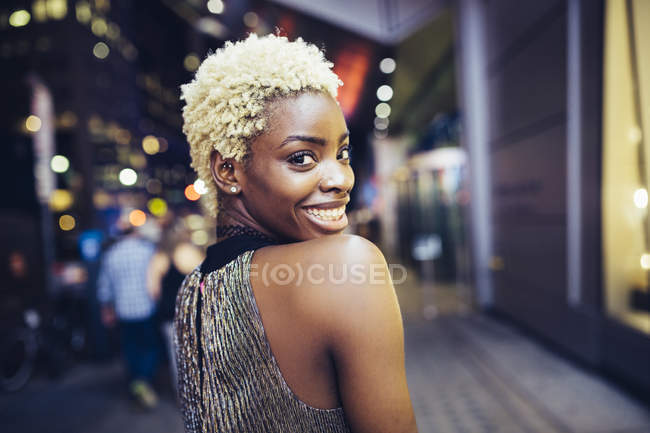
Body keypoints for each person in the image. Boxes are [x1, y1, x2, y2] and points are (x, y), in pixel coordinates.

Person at [175, 33, 417, 432]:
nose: (341, 178)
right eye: (302, 158)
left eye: (342, 153)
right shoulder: (345, 266)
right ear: (229, 171)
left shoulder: (191, 294)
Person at [97, 222, 160, 409]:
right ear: (135, 233)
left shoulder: (111, 255)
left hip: (123, 310)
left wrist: (106, 310)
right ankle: (144, 380)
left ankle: (135, 381)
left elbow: (104, 286)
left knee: (130, 347)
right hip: (147, 307)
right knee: (149, 346)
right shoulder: (148, 250)